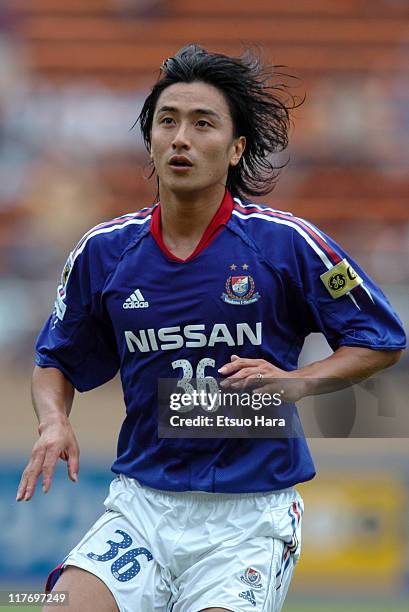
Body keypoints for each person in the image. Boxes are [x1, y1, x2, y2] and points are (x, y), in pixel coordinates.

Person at [17, 44, 405, 612]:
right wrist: (53, 422)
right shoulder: (105, 253)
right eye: (167, 121)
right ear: (149, 139)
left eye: (203, 124)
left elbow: (382, 339)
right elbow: (55, 359)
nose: (181, 138)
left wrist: (298, 382)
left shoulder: (283, 243)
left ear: (236, 148)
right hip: (143, 507)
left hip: (247, 517)